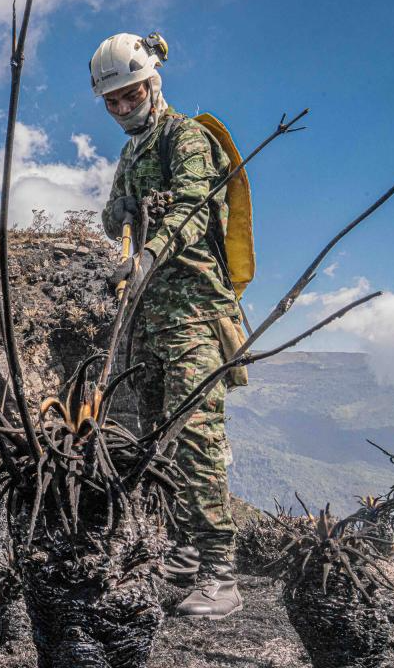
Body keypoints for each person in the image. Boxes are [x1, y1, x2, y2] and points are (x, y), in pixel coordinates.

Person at [93, 32, 245, 619]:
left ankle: (220, 573)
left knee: (198, 437)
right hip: (149, 320)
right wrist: (122, 215)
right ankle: (181, 557)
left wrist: (153, 247)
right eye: (113, 103)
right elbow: (111, 217)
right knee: (159, 440)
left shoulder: (187, 138)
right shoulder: (132, 153)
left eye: (130, 96)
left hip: (194, 315)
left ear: (152, 83)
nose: (123, 109)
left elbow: (193, 208)